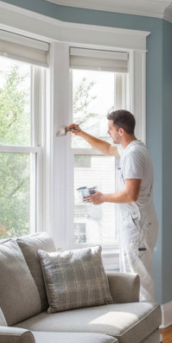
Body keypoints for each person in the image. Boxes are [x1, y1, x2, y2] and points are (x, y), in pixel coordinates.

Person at [67, 110, 158, 302]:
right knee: (135, 278)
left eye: (110, 129)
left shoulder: (133, 154)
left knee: (139, 280)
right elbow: (107, 149)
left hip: (138, 225)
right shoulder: (131, 148)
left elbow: (130, 194)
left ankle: (150, 329)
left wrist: (102, 198)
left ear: (121, 131)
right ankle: (140, 327)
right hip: (138, 223)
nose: (108, 132)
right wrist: (81, 133)